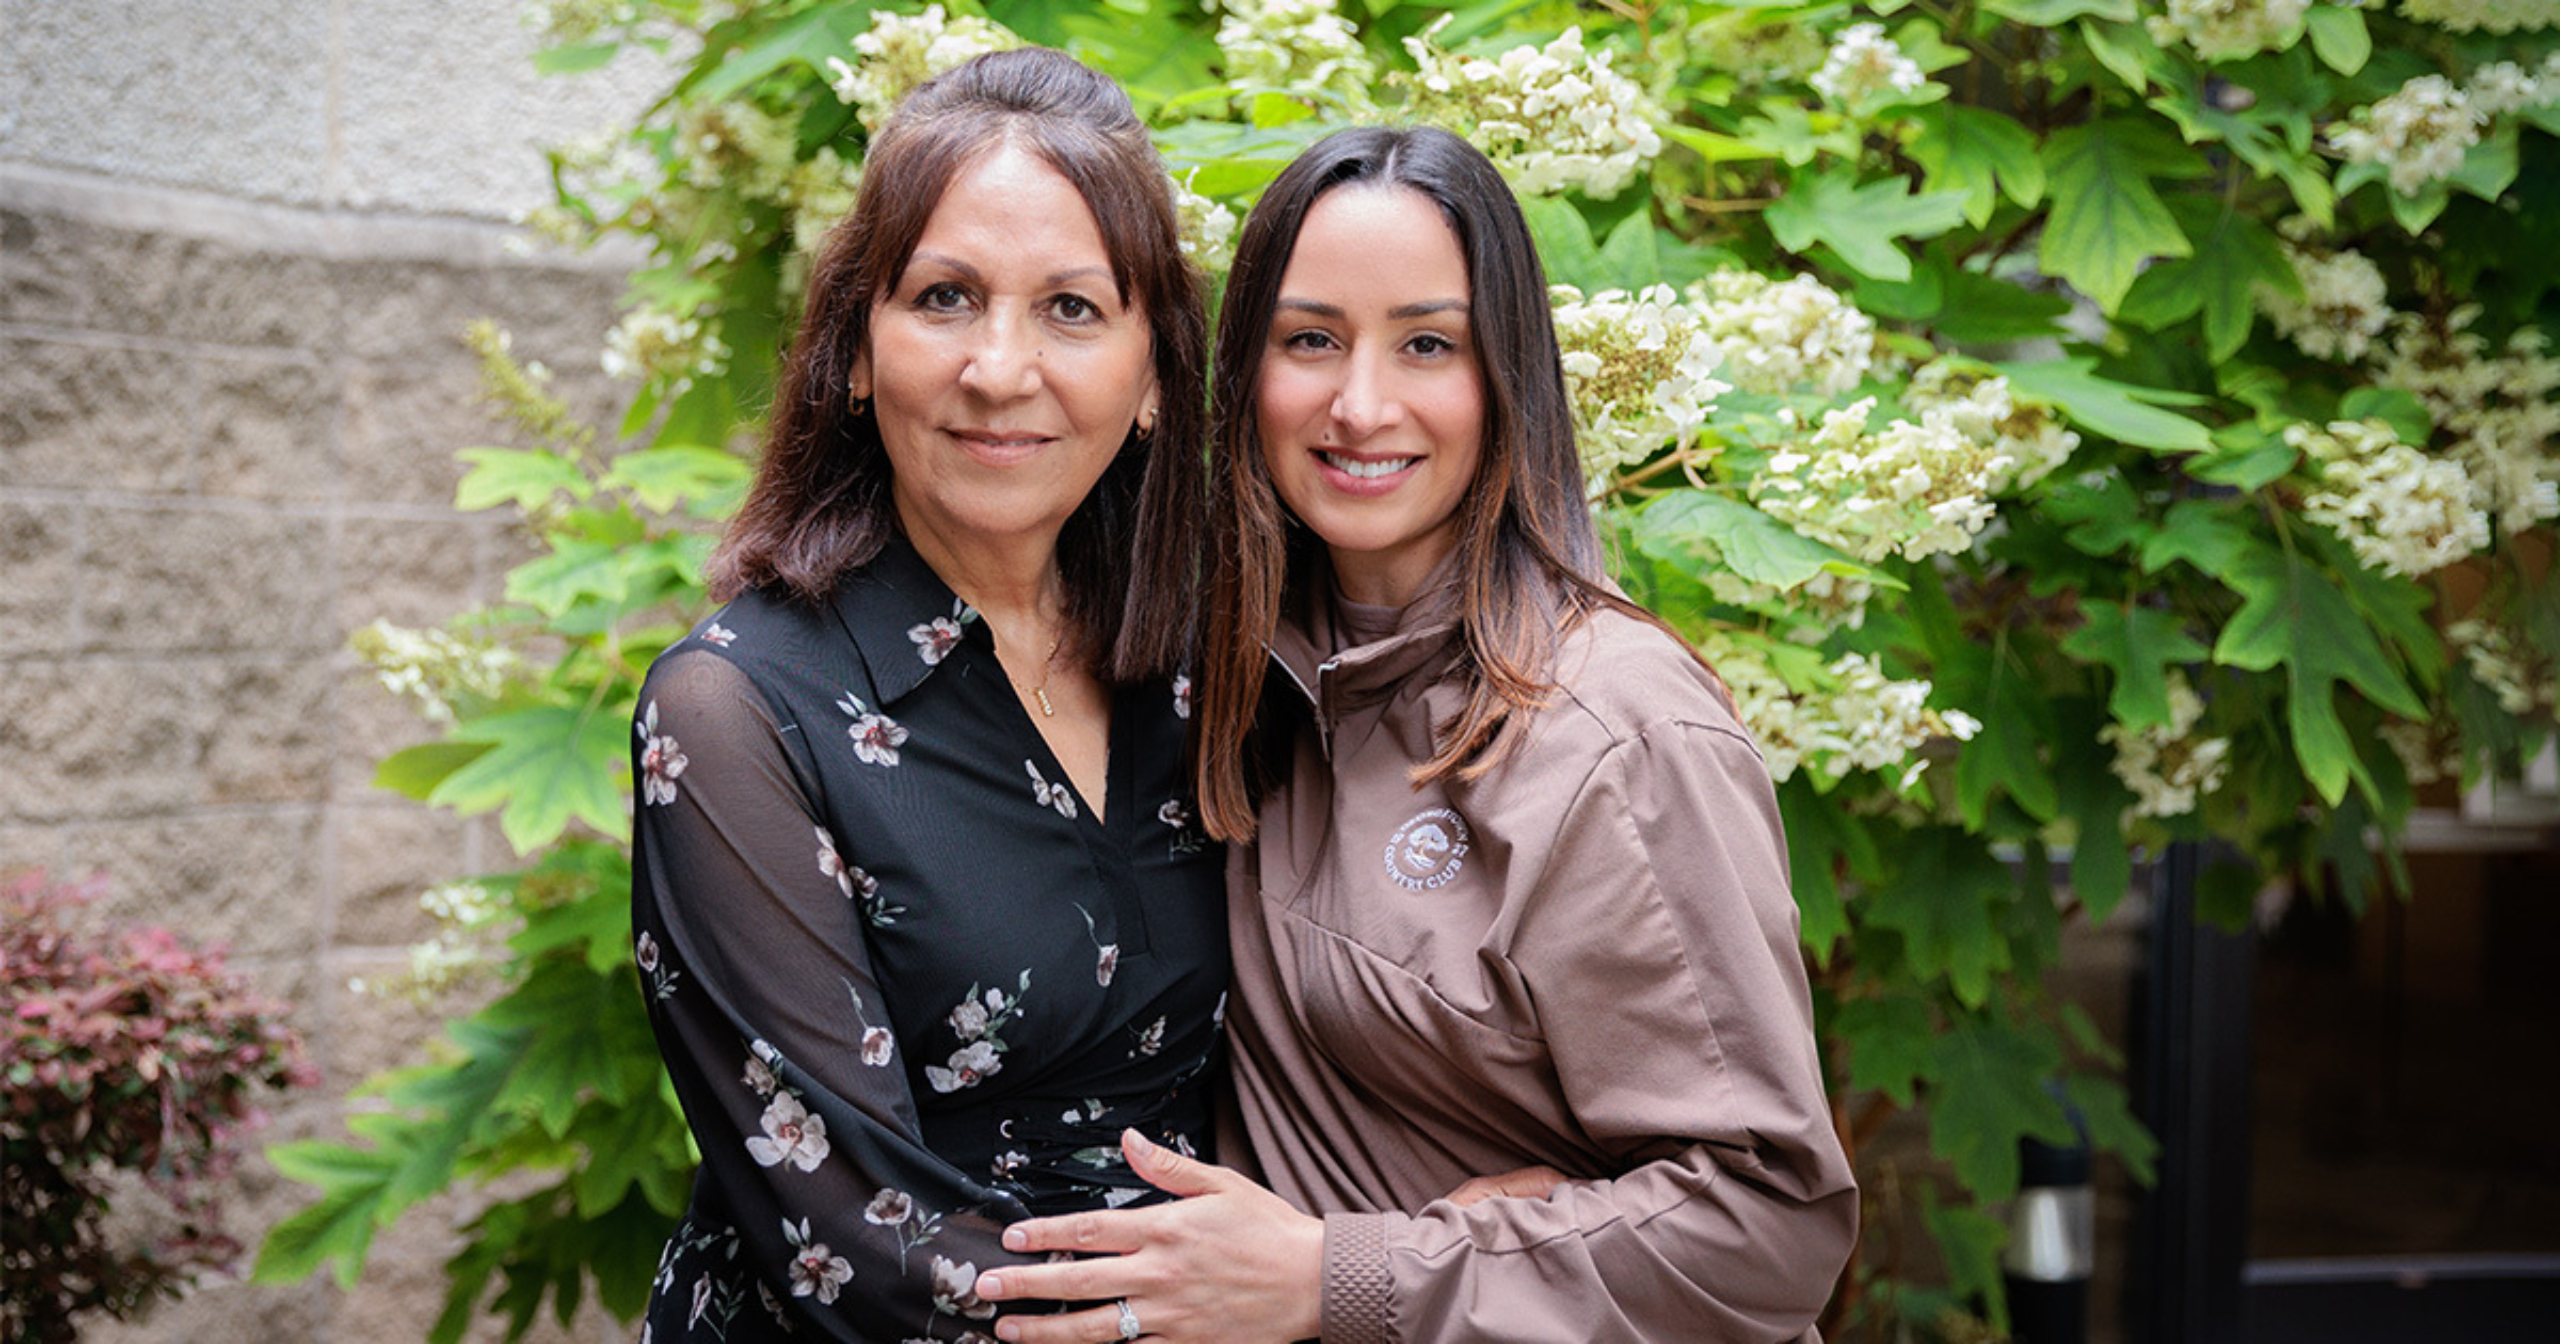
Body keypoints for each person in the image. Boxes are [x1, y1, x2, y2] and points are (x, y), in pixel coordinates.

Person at [973, 126, 1858, 1343]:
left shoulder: (1612, 735)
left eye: (1428, 343)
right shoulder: (1227, 675)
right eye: (1310, 340)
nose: (1360, 403)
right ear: (1243, 372)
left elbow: (1769, 1221)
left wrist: (1347, 1271)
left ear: (1507, 379)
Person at [627, 48, 1228, 1342]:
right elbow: (859, 1244)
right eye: (946, 297)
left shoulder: (1214, 669)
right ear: (854, 349)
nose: (1000, 369)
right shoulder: (735, 713)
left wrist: (1393, 1250)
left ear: (1156, 377)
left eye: (1072, 309)